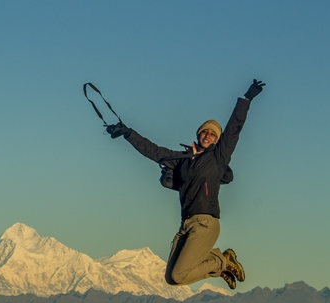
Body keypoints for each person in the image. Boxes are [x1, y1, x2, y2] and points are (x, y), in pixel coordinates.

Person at [106, 79, 265, 290]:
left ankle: (222, 263)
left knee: (180, 274)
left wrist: (246, 99)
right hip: (186, 224)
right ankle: (222, 260)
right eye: (204, 132)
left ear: (217, 141)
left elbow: (234, 128)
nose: (208, 135)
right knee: (171, 278)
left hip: (205, 223)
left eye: (213, 134)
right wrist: (128, 133)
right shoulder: (181, 159)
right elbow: (153, 151)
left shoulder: (218, 158)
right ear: (198, 135)